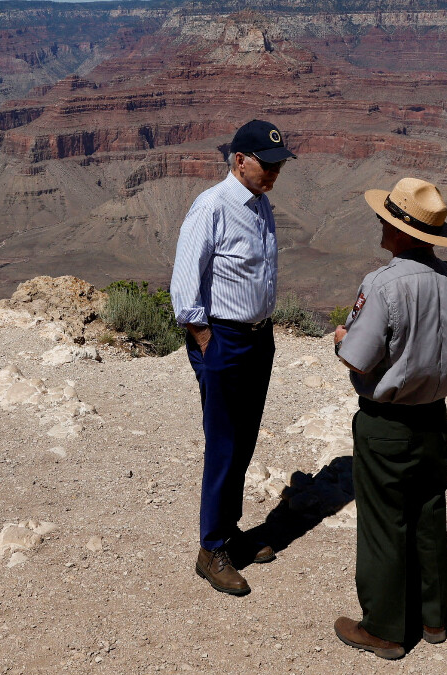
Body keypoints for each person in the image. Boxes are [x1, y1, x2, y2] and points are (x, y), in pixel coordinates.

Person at [332, 177, 447, 659]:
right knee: (430, 513)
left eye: (388, 219)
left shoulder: (383, 284)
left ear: (406, 234)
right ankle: (434, 618)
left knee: (383, 522)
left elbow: (357, 357)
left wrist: (338, 339)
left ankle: (386, 629)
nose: (380, 223)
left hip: (386, 423)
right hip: (435, 418)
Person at [170, 119, 295, 596]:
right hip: (223, 339)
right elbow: (185, 282)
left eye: (279, 166)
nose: (275, 174)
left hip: (258, 339)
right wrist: (206, 339)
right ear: (239, 160)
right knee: (223, 443)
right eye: (268, 165)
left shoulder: (260, 205)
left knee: (243, 440)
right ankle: (211, 549)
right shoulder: (212, 207)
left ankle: (229, 530)